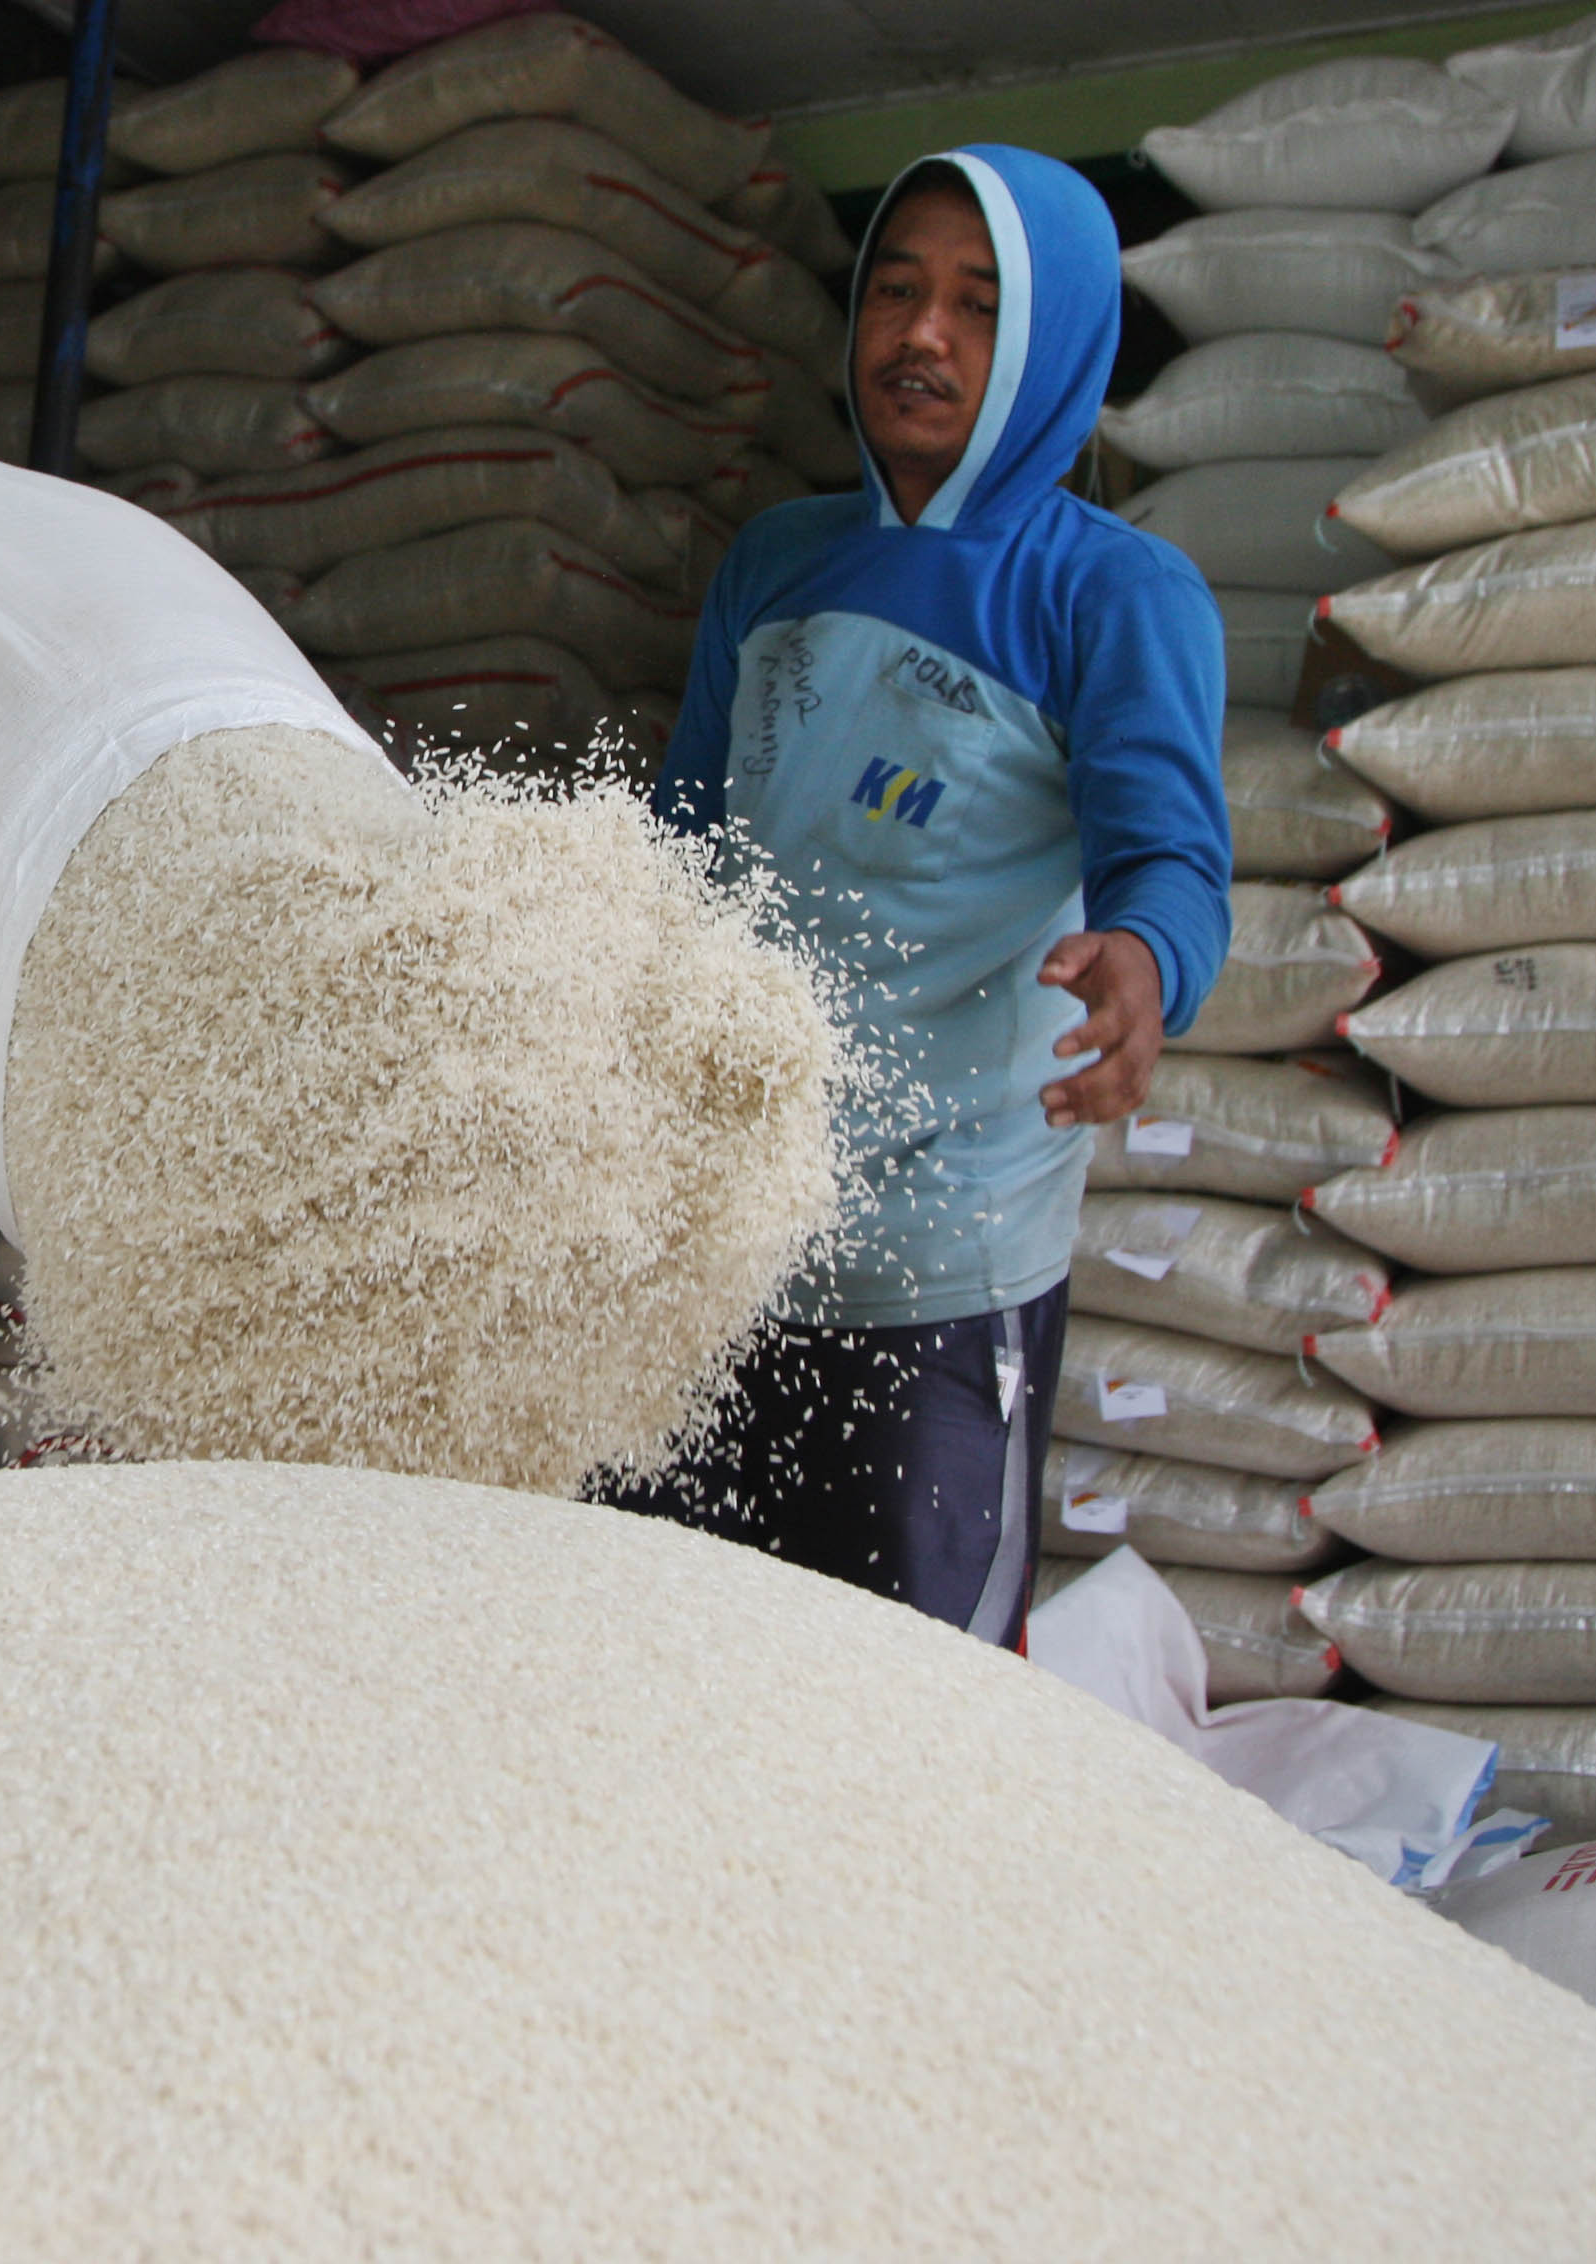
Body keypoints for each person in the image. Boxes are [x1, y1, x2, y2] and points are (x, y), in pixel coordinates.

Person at [613, 146, 1233, 1646]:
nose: (922, 337)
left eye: (976, 305)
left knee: (908, 1720)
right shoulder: (776, 567)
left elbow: (1173, 856)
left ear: (1056, 340)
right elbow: (681, 845)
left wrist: (1147, 963)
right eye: (896, 291)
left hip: (939, 1274)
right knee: (663, 1672)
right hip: (717, 1253)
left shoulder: (1108, 592)